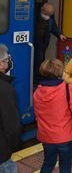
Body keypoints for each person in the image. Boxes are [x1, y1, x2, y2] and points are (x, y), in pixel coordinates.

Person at [34, 59, 72, 173]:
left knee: (48, 163)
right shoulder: (66, 88)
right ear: (60, 71)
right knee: (65, 165)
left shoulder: (38, 91)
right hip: (65, 136)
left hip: (46, 136)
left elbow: (37, 114)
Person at [0, 45, 21, 173]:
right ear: (1, 64)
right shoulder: (5, 89)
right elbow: (11, 125)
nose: (8, 63)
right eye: (7, 60)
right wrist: (14, 145)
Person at [34, 3, 67, 83]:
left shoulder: (50, 16)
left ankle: (38, 77)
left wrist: (59, 34)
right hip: (34, 40)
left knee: (40, 59)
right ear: (42, 10)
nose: (47, 18)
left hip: (43, 42)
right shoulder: (34, 13)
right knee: (36, 59)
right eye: (45, 15)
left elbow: (53, 27)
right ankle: (36, 78)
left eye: (49, 16)